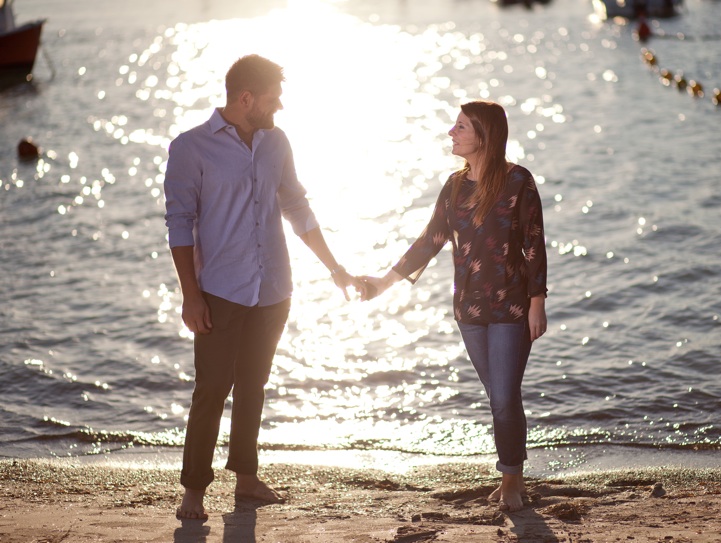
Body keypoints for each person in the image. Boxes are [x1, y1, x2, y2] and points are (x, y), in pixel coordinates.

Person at [164, 54, 362, 520]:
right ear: (245, 98)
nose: (280, 107)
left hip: (273, 287)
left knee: (254, 385)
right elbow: (179, 223)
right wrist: (190, 295)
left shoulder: (277, 142)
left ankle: (247, 479)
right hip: (219, 290)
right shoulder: (190, 147)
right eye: (272, 99)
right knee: (212, 387)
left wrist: (335, 267)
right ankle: (193, 490)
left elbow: (296, 205)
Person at [361, 100, 548, 512]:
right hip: (469, 309)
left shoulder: (519, 182)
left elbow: (534, 243)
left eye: (461, 127)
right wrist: (383, 283)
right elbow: (430, 240)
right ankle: (511, 473)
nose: (451, 132)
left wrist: (538, 302)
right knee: (501, 396)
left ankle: (512, 480)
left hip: (512, 307)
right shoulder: (454, 186)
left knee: (502, 396)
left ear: (484, 136)